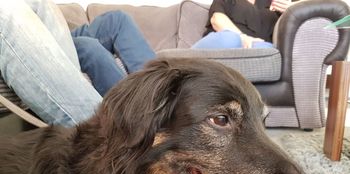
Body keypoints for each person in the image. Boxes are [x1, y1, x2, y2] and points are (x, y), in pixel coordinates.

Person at [0, 0, 155, 127]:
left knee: (117, 20)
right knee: (88, 47)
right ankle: (128, 125)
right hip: (20, 30)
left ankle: (159, 97)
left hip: (55, 35)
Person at [192, 0, 297, 49]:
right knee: (229, 38)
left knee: (267, 49)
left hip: (258, 47)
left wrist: (292, 6)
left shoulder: (276, 4)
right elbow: (217, 19)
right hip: (223, 40)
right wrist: (242, 37)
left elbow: (312, 5)